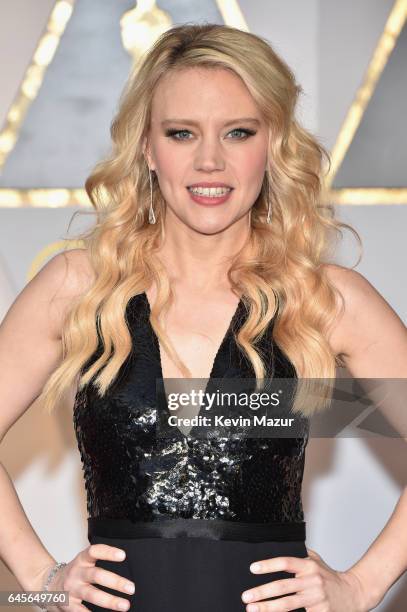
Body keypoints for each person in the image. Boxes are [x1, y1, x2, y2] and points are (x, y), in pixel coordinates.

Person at [1, 22, 406, 612]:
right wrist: (40, 578)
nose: (210, 160)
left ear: (272, 145)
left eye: (238, 132)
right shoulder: (80, 289)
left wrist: (363, 585)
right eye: (182, 133)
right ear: (147, 147)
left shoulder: (325, 301)